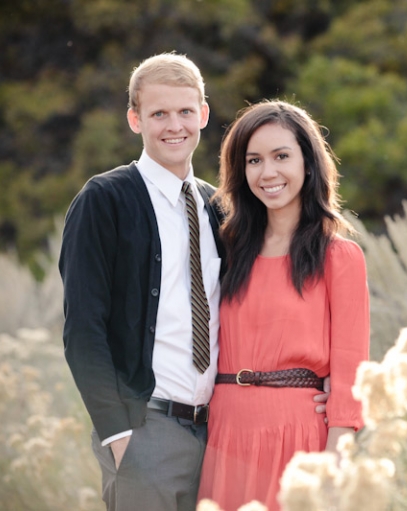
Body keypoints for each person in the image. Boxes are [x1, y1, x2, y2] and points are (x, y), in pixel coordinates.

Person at [59, 54, 329, 511]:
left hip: (219, 435)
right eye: (158, 113)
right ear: (134, 119)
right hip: (147, 431)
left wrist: (306, 385)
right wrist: (118, 436)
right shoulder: (103, 200)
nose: (174, 125)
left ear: (203, 114)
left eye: (185, 111)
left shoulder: (218, 207)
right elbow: (82, 330)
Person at [197, 100, 370, 511]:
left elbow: (351, 372)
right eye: (254, 160)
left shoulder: (338, 257)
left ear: (308, 164)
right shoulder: (226, 251)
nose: (267, 172)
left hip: (297, 439)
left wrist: (332, 464)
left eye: (281, 156)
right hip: (225, 435)